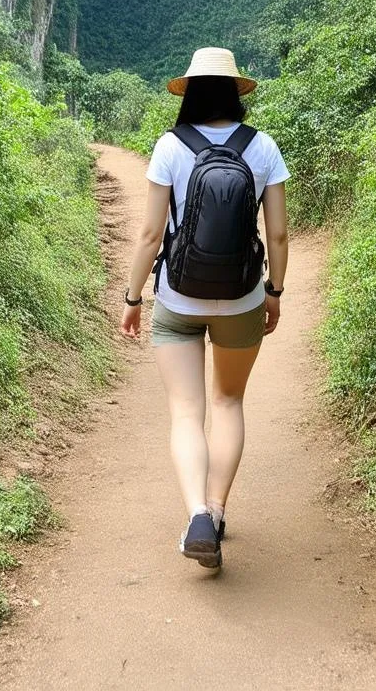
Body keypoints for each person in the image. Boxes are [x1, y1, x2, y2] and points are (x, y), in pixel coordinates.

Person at [119, 47, 290, 569]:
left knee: (187, 413)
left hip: (177, 297)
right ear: (236, 92)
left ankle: (195, 512)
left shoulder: (170, 146)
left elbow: (151, 234)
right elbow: (279, 233)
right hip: (241, 298)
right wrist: (274, 293)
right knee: (229, 404)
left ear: (188, 91)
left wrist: (132, 298)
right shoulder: (261, 148)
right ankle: (216, 510)